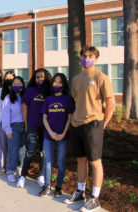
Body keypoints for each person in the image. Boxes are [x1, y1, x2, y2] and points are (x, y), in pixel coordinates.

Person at [64, 46, 115, 212]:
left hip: (94, 123)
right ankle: (80, 192)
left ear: (96, 58)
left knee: (95, 161)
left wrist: (103, 124)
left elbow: (111, 104)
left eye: (90, 56)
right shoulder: (77, 78)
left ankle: (95, 198)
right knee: (81, 159)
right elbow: (75, 101)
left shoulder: (101, 77)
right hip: (77, 124)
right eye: (84, 56)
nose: (87, 58)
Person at [39, 73, 75, 198]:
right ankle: (47, 186)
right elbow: (44, 118)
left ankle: (58, 188)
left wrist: (62, 134)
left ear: (64, 84)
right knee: (48, 162)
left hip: (63, 137)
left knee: (60, 162)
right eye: (55, 82)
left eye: (60, 82)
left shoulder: (68, 99)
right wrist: (51, 133)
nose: (57, 84)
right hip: (49, 136)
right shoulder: (48, 99)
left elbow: (70, 118)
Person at [16, 68, 52, 188]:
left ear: (46, 77)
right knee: (30, 151)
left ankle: (41, 176)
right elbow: (24, 106)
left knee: (44, 152)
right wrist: (26, 123)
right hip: (33, 125)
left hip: (47, 127)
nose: (40, 79)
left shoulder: (51, 91)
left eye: (42, 76)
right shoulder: (30, 90)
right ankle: (22, 177)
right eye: (37, 77)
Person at [2, 76, 26, 183]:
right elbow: (5, 114)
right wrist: (8, 130)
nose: (17, 86)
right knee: (13, 150)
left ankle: (20, 170)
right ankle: (11, 171)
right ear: (12, 86)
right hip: (13, 127)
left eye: (19, 83)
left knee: (22, 150)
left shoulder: (26, 96)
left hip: (25, 126)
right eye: (15, 84)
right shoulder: (8, 98)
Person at [0, 71, 15, 174]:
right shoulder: (0, 91)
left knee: (11, 145)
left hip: (14, 122)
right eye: (7, 78)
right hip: (2, 121)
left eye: (11, 78)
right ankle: (1, 166)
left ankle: (10, 166)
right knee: (2, 145)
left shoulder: (16, 90)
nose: (8, 79)